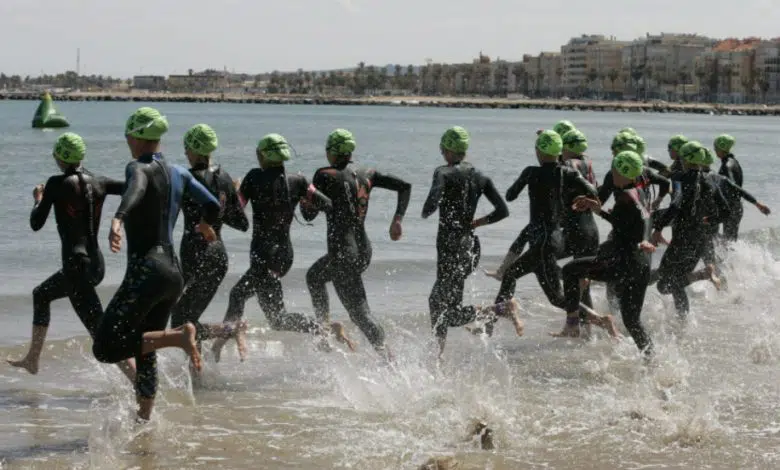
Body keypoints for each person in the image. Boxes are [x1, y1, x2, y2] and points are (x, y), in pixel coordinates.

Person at [91, 107, 221, 421]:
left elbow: (136, 187)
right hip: (172, 274)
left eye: (127, 135)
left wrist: (118, 218)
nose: (126, 140)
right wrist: (206, 224)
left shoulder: (137, 166)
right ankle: (143, 422)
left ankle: (178, 337)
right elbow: (214, 205)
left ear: (137, 136)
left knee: (105, 348)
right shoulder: (179, 172)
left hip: (146, 270)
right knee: (146, 350)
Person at [212, 133, 350, 362]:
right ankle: (326, 327)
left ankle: (219, 344)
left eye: (258, 152)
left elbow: (236, 212)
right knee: (277, 319)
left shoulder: (254, 178)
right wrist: (303, 203)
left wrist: (233, 191)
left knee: (237, 295)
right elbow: (327, 204)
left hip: (264, 256)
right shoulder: (298, 181)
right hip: (284, 256)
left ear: (264, 155)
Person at [8, 133, 135, 380]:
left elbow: (36, 223)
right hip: (97, 266)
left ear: (61, 157)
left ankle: (139, 381)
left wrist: (39, 199)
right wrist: (120, 218)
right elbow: (133, 188)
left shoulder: (56, 184)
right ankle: (33, 358)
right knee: (41, 294)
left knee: (101, 336)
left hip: (77, 267)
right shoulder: (100, 182)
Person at [302, 129, 411, 361]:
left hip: (343, 253)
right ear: (350, 152)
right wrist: (397, 220)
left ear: (331, 152)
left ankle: (389, 360)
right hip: (363, 250)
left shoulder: (324, 175)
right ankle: (325, 330)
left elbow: (308, 215)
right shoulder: (366, 173)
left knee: (360, 314)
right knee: (315, 276)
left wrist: (305, 199)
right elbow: (405, 186)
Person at [422, 126, 521, 358]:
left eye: (442, 148)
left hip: (450, 246)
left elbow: (431, 203)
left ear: (447, 149)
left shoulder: (442, 173)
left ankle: (498, 310)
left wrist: (427, 210)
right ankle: (439, 355)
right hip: (468, 247)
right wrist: (477, 223)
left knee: (436, 302)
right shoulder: (480, 176)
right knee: (449, 308)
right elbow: (502, 211)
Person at [553, 151, 654, 351]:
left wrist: (641, 239)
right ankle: (652, 358)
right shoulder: (639, 191)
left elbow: (635, 223)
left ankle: (572, 324)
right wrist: (597, 209)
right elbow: (634, 220)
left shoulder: (625, 196)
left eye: (615, 168)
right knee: (632, 321)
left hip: (622, 261)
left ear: (623, 172)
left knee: (570, 271)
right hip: (641, 263)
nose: (612, 172)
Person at [491, 130, 599, 313]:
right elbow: (593, 191)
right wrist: (584, 199)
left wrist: (526, 182)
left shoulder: (531, 172)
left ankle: (601, 320)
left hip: (542, 244)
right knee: (511, 276)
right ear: (558, 152)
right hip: (555, 240)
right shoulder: (568, 173)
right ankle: (491, 322)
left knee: (557, 299)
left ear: (538, 152)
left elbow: (510, 196)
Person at [169, 124, 250, 359]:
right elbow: (242, 224)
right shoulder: (223, 177)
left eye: (187, 148)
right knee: (188, 319)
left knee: (180, 323)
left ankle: (230, 329)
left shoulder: (188, 179)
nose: (185, 153)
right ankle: (197, 378)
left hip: (198, 254)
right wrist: (230, 197)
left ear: (195, 149)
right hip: (218, 256)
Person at [650, 141, 730, 319]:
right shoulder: (709, 179)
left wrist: (658, 228)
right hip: (701, 239)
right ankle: (683, 321)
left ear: (685, 159)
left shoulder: (679, 177)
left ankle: (624, 288)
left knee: (664, 283)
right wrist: (709, 219)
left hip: (682, 239)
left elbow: (676, 204)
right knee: (676, 281)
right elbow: (726, 211)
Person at [714, 134, 752, 241]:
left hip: (731, 207)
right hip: (734, 206)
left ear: (721, 147)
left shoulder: (728, 164)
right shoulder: (733, 162)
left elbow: (732, 184)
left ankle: (737, 257)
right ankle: (734, 257)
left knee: (727, 240)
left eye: (715, 147)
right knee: (729, 240)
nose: (714, 150)